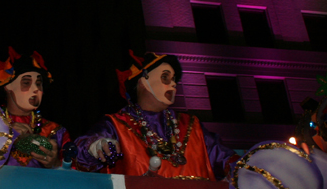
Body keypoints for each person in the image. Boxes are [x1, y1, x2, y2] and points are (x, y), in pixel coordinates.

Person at [74, 51, 236, 179]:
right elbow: (80, 155)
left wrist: (245, 167)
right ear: (143, 81)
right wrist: (96, 147)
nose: (173, 84)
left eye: (174, 79)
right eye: (165, 77)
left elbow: (224, 158)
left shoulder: (191, 125)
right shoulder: (115, 124)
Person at [0, 47, 70, 169]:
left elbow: (76, 178)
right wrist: (4, 138)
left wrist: (56, 164)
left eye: (38, 84)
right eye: (26, 83)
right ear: (7, 86)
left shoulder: (55, 131)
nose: (35, 89)